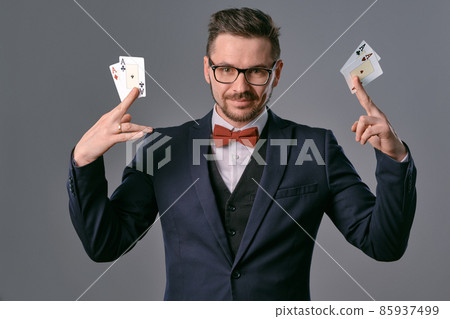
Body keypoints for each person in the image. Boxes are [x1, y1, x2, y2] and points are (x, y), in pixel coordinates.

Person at [67, 8, 416, 300]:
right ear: (208, 69)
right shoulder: (161, 147)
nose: (240, 87)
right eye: (226, 70)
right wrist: (84, 161)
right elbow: (105, 245)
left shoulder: (318, 148)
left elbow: (383, 244)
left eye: (257, 72)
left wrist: (394, 158)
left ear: (276, 73)